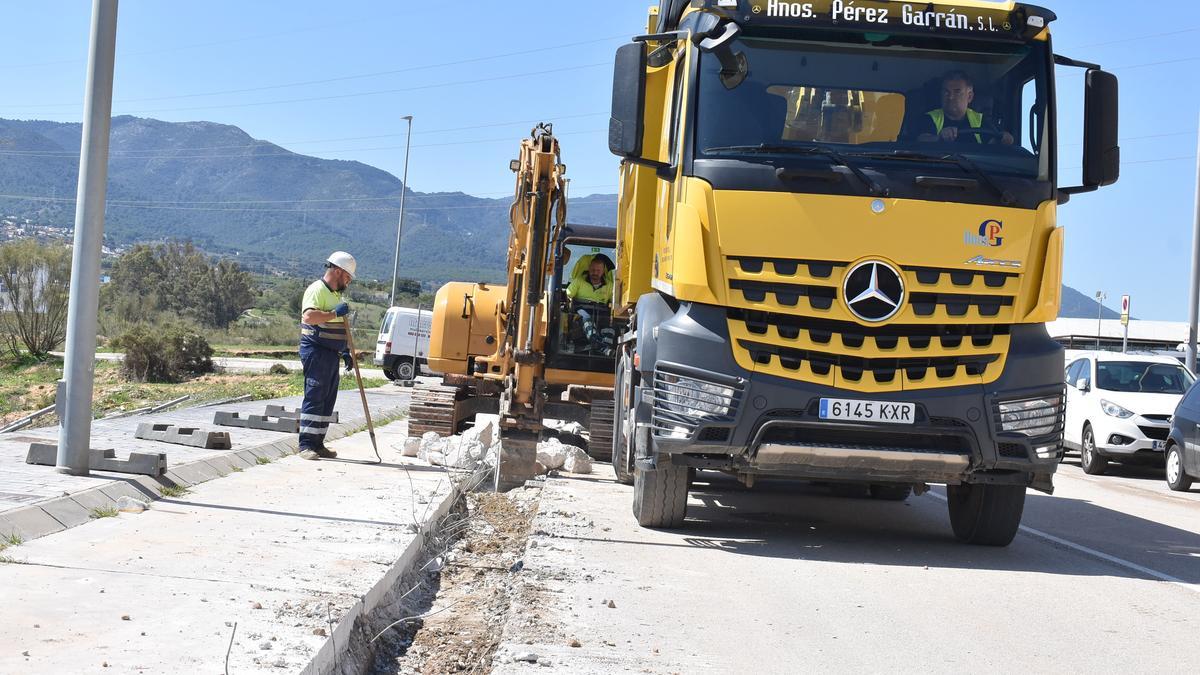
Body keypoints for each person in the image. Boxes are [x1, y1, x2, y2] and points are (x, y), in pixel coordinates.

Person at [297, 251, 356, 460]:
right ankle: (306, 446)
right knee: (315, 396)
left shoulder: (336, 295)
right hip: (316, 351)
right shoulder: (317, 290)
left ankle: (318, 443)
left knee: (327, 400)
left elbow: (340, 327)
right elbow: (309, 316)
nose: (348, 282)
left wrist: (346, 350)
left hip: (332, 354)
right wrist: (334, 314)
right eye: (347, 277)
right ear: (338, 271)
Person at [916, 70, 1014, 145]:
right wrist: (939, 138)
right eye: (946, 92)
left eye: (957, 91)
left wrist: (1005, 138)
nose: (950, 97)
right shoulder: (930, 117)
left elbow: (994, 142)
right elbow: (922, 139)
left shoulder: (980, 120)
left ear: (970, 96)